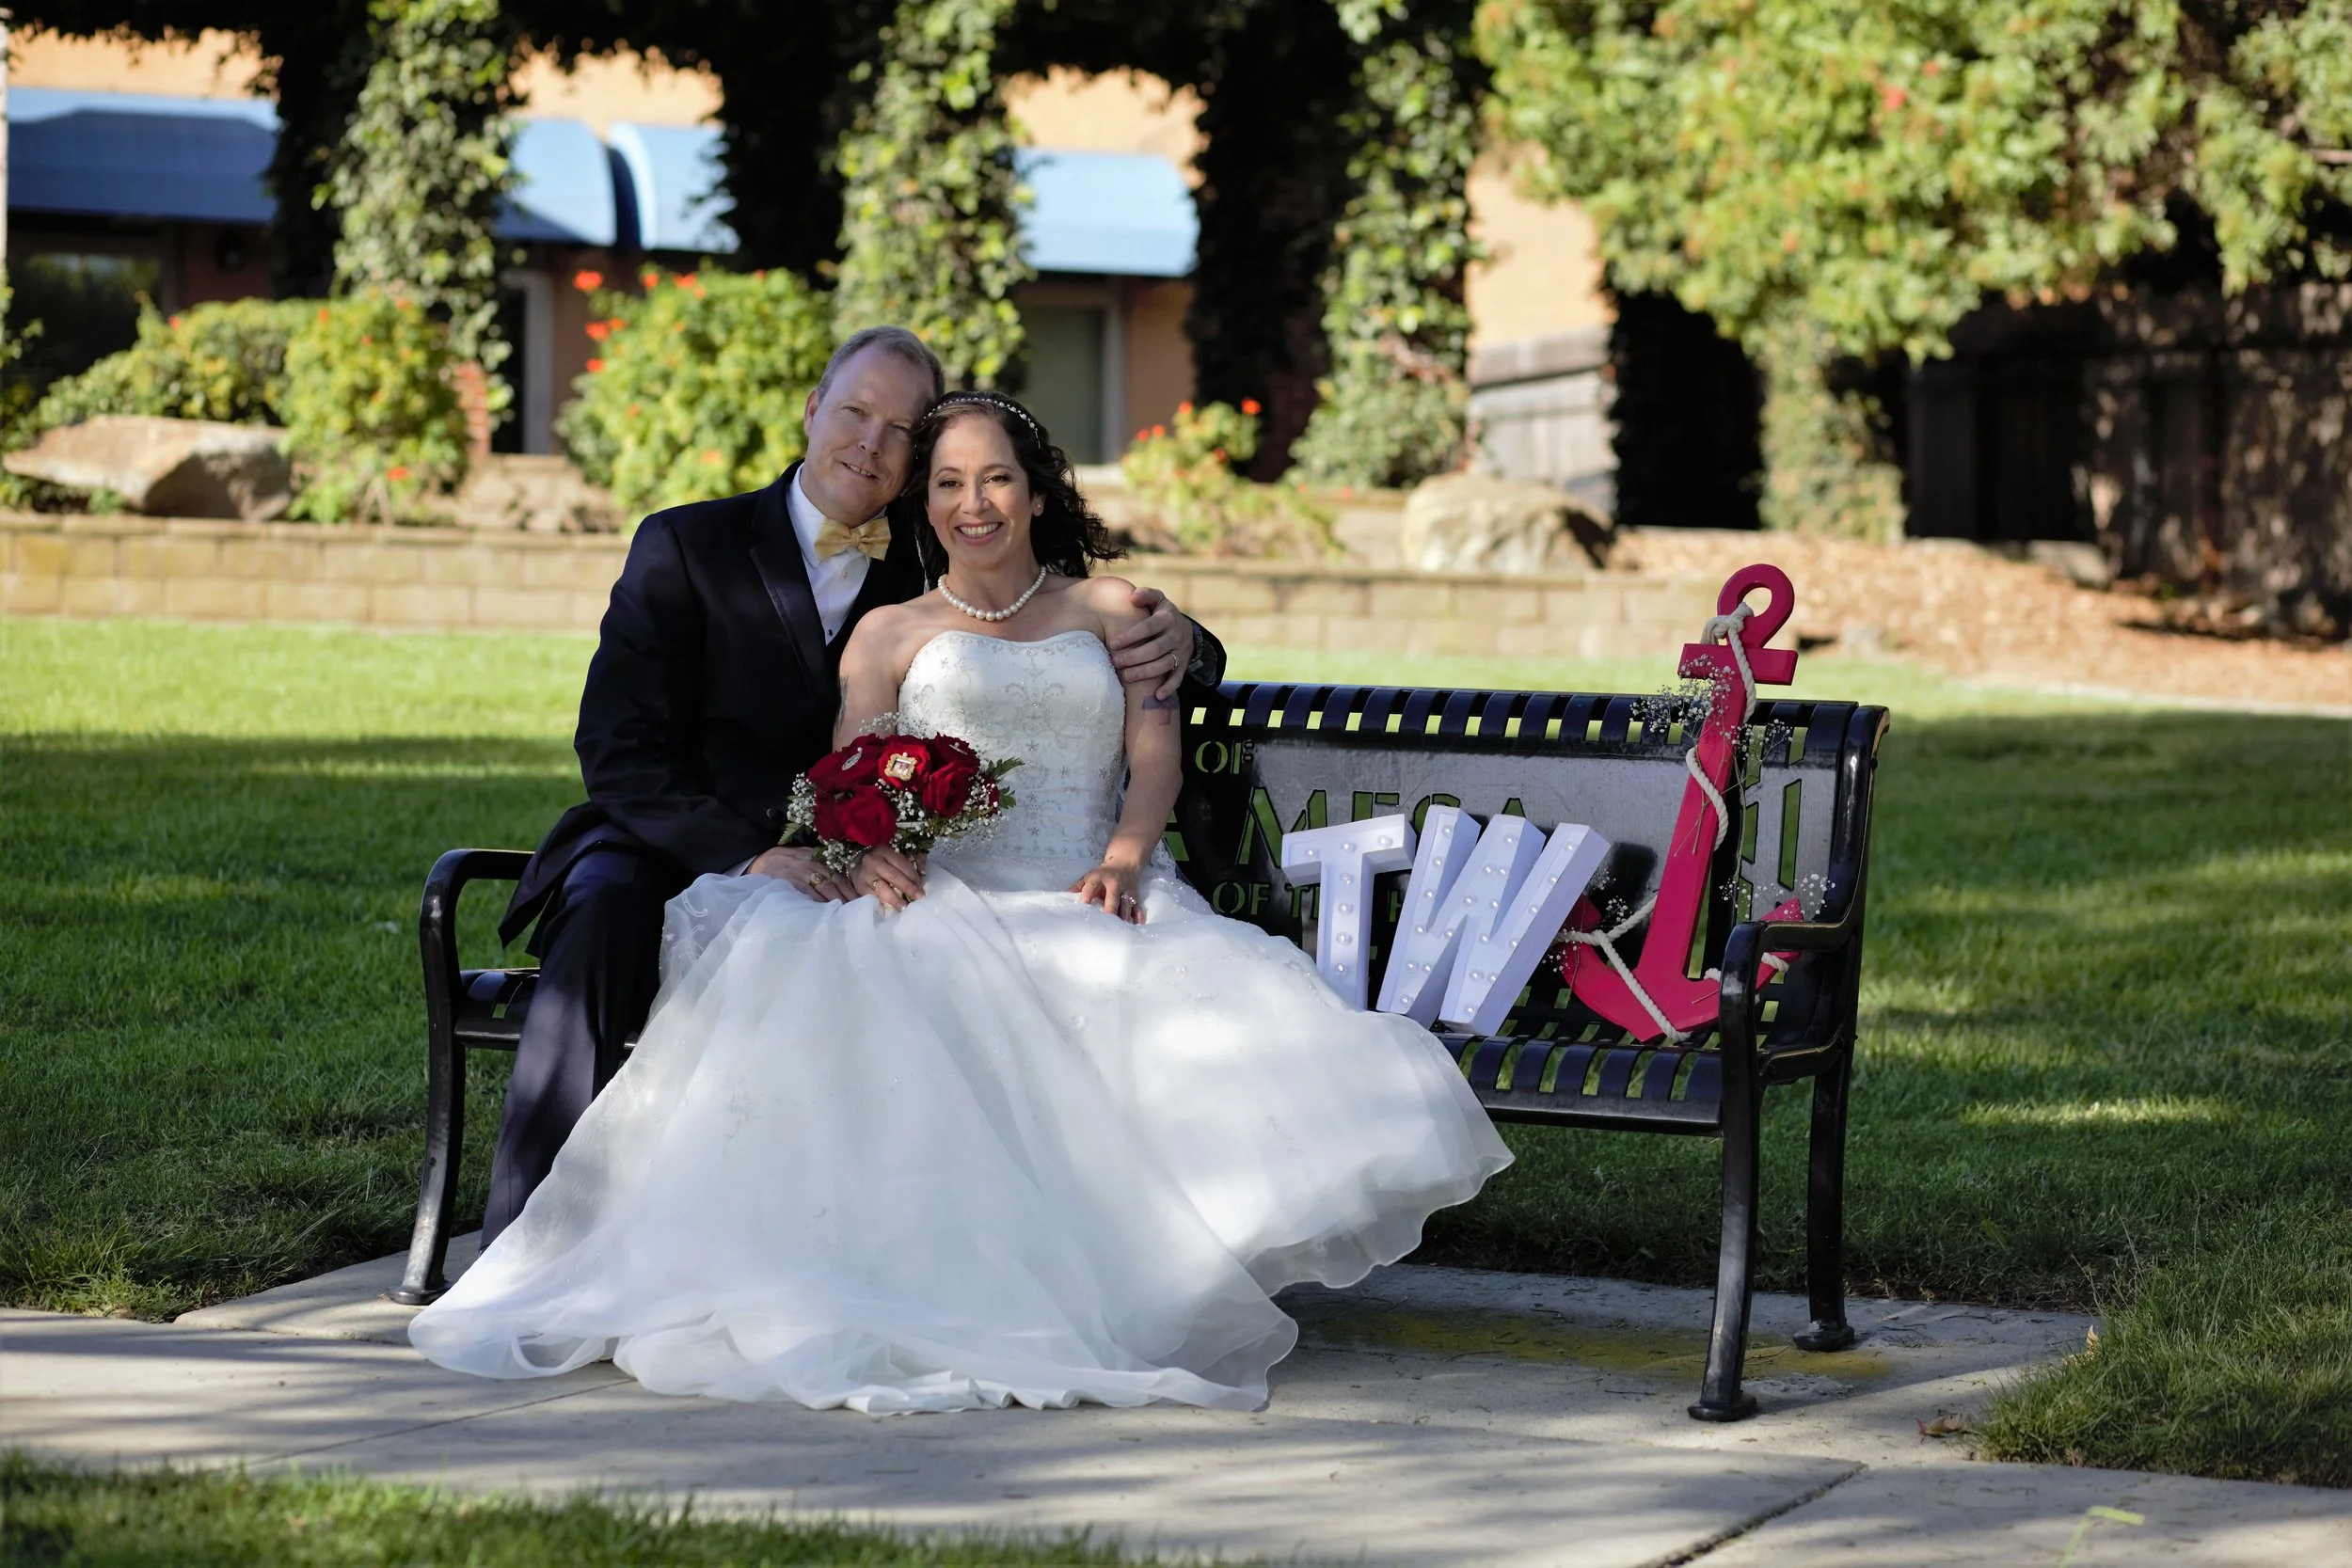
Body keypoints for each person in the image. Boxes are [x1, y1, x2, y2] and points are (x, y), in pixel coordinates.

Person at [410, 390, 1511, 1414]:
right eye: (945, 482)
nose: (971, 502)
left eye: (994, 479)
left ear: (1036, 490)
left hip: (1088, 879)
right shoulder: (888, 628)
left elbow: (1154, 757)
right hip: (938, 889)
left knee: (1145, 997)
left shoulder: (1115, 609)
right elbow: (854, 774)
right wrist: (868, 852)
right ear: (920, 498)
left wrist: (1127, 856)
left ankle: (1138, 1279)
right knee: (888, 999)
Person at [481, 327, 1214, 1245]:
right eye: (856, 411)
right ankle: (525, 1237)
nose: (871, 442)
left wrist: (1182, 632)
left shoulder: (940, 555)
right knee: (605, 919)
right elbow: (618, 749)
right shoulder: (687, 543)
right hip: (672, 834)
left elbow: (1070, 608)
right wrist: (751, 854)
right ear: (812, 410)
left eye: (900, 429)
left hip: (870, 855)